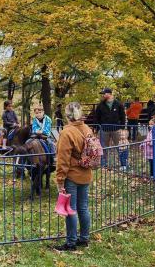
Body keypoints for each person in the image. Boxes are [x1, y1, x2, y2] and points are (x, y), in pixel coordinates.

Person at [54, 102, 93, 251]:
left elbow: (63, 160)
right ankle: (84, 239)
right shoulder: (87, 128)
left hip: (72, 175)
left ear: (67, 115)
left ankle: (71, 243)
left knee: (71, 209)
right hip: (86, 173)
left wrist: (60, 180)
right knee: (83, 208)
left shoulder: (67, 132)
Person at [94, 88, 127, 169]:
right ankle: (103, 165)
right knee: (103, 148)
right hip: (104, 130)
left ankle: (123, 164)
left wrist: (122, 128)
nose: (102, 95)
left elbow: (123, 116)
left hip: (116, 129)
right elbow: (96, 117)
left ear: (109, 94)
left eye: (104, 93)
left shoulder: (118, 104)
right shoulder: (100, 105)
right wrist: (97, 127)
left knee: (120, 146)